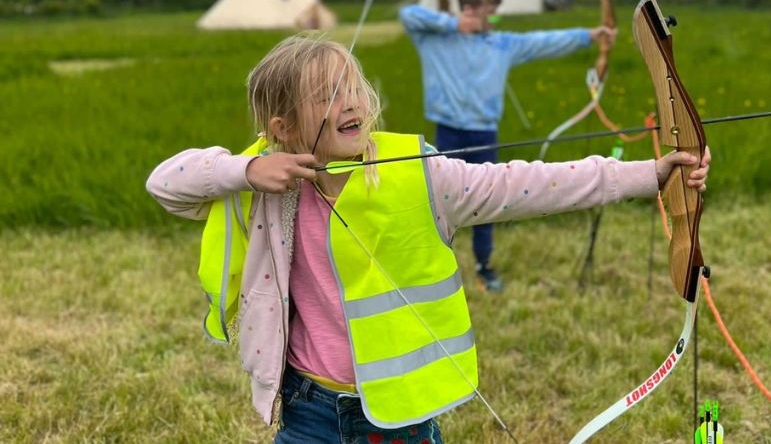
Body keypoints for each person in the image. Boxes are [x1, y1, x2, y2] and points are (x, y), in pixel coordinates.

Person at [146, 35, 710, 443]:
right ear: (282, 128)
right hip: (306, 409)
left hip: (400, 415)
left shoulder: (421, 172)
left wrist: (648, 173)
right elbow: (167, 185)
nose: (349, 103)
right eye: (325, 96)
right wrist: (244, 173)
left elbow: (526, 185)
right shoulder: (267, 182)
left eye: (353, 87)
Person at [400, 0, 618, 292]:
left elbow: (543, 42)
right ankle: (434, 269)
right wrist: (452, 24)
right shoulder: (435, 38)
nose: (494, 20)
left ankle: (483, 266)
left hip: (484, 133)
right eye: (490, 13)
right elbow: (408, 14)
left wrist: (589, 36)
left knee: (486, 200)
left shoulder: (501, 44)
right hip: (446, 132)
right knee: (438, 202)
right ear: (471, 10)